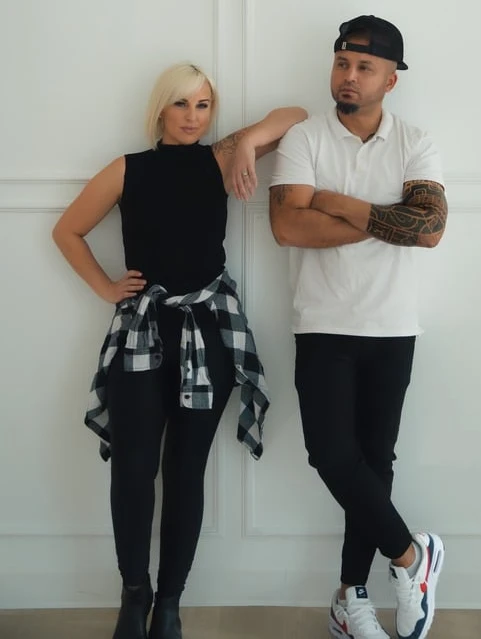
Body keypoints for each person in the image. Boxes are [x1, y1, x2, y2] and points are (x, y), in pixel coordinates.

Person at [52, 62, 306, 639]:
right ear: (160, 109)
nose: (193, 117)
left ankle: (170, 603)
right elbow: (67, 230)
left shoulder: (221, 157)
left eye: (204, 105)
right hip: (141, 334)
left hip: (209, 335)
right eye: (182, 104)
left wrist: (248, 146)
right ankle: (133, 596)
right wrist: (106, 288)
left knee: (186, 472)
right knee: (134, 470)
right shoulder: (127, 169)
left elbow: (295, 116)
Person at [269, 15, 447, 639]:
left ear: (390, 80)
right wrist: (387, 218)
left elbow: (429, 229)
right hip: (321, 323)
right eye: (342, 63)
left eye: (365, 67)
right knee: (331, 455)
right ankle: (412, 556)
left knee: (375, 464)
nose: (349, 75)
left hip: (393, 326)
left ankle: (351, 596)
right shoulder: (304, 138)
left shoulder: (415, 142)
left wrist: (338, 203)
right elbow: (288, 226)